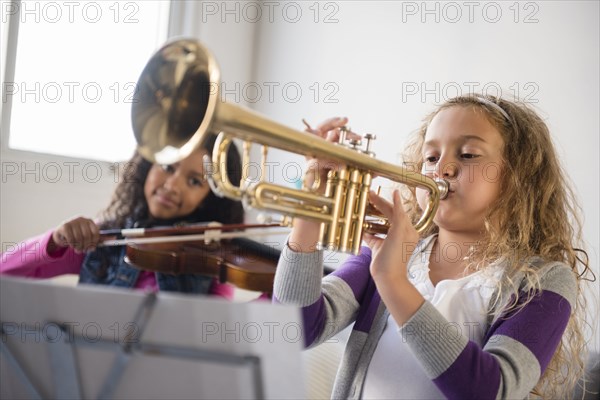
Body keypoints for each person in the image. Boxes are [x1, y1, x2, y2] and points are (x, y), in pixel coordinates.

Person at [273, 96, 592, 399]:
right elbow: (296, 329)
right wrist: (310, 206)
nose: (442, 168)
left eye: (467, 154)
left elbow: (489, 390)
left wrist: (394, 282)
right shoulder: (388, 251)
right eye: (430, 157)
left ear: (518, 177)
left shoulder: (546, 280)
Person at [1, 135, 244, 297]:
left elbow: (224, 331)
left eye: (194, 181)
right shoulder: (103, 239)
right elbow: (5, 271)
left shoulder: (210, 260)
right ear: (148, 166)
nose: (172, 186)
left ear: (209, 197)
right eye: (167, 167)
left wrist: (278, 287)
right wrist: (55, 240)